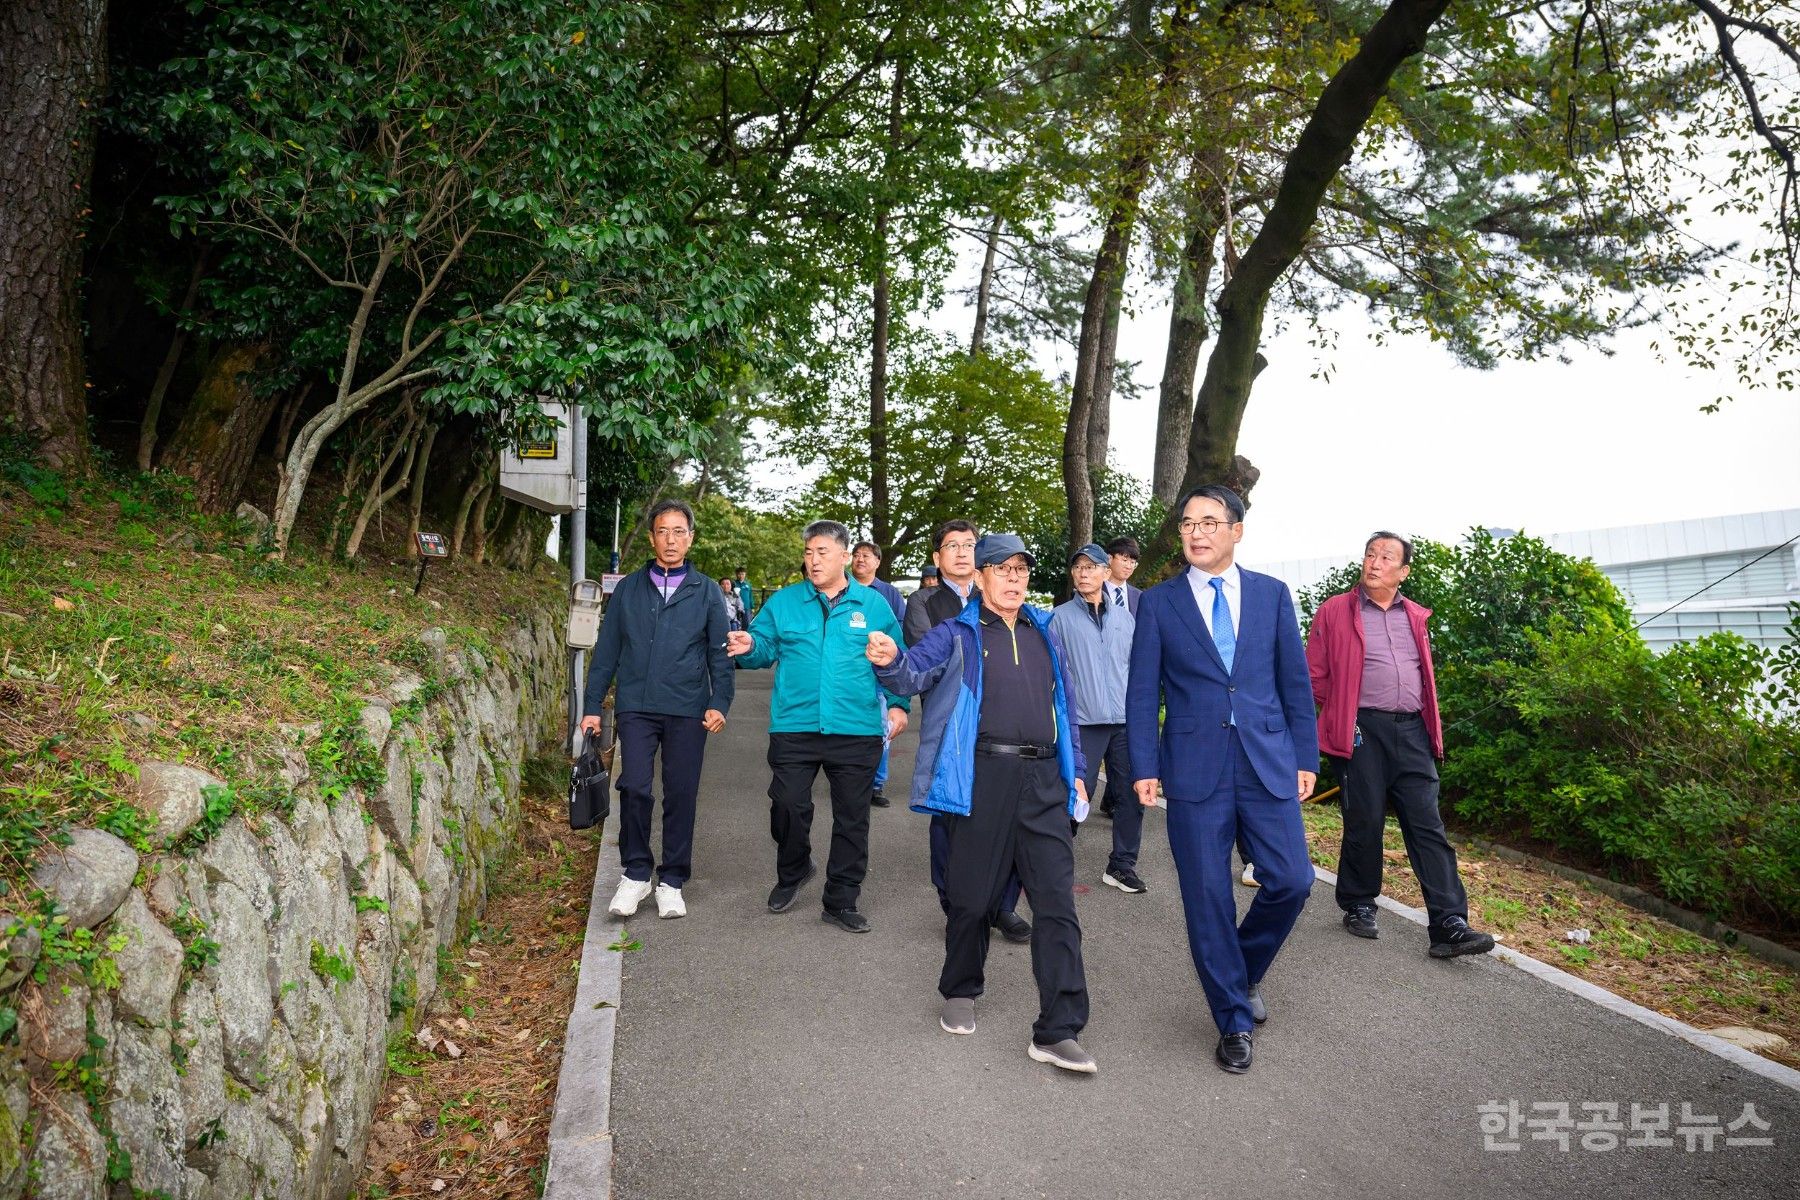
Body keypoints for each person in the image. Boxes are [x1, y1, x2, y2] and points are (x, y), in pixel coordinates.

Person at [868, 533, 1095, 1074]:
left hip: (1043, 781)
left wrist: (1077, 773)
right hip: (981, 776)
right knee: (970, 897)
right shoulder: (958, 632)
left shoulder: (1045, 630)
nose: (1014, 578)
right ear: (983, 578)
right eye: (1003, 569)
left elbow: (1066, 705)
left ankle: (1058, 1028)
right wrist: (889, 660)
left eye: (1021, 569)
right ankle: (961, 987)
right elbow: (911, 673)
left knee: (1057, 904)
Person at [1126, 485, 1318, 1075]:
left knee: (1292, 879)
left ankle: (1238, 968)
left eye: (1210, 521)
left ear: (1237, 530)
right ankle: (1232, 1017)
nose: (1196, 532)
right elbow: (1142, 692)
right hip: (1192, 766)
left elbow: (1294, 683)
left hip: (1267, 759)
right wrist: (1145, 766)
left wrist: (1305, 755)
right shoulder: (1159, 604)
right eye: (1188, 522)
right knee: (1207, 895)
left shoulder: (1272, 595)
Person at [1305, 532, 1496, 959]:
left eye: (1386, 557)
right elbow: (1314, 675)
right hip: (1361, 729)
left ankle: (1449, 922)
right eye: (1370, 554)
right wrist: (1335, 718)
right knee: (1365, 820)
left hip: (1412, 731)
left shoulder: (1415, 616)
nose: (1374, 562)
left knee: (1427, 824)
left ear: (1403, 571)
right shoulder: (1336, 611)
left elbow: (1420, 673)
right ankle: (1358, 903)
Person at [726, 521, 910, 934]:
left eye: (823, 552)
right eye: (809, 552)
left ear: (846, 556)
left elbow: (895, 659)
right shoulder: (785, 602)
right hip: (795, 724)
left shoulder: (875, 605)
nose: (813, 560)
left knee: (852, 818)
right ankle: (793, 871)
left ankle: (841, 898)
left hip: (857, 728)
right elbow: (763, 648)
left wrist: (898, 706)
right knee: (788, 804)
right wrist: (750, 647)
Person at [581, 499, 734, 920]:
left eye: (679, 531)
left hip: (688, 707)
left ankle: (672, 880)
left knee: (681, 792)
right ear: (652, 537)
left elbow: (719, 653)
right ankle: (635, 873)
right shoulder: (629, 588)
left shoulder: (704, 591)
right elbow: (608, 650)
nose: (671, 539)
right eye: (663, 531)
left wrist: (719, 701)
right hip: (637, 706)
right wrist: (592, 705)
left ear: (691, 538)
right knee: (634, 786)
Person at [902, 519, 1030, 944]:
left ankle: (1003, 906)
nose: (961, 551)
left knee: (1009, 823)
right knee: (949, 821)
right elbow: (926, 660)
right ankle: (953, 901)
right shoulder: (923, 602)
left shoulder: (1002, 597)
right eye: (951, 545)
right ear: (937, 558)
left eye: (970, 545)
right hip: (949, 726)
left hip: (1002, 730)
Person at [1048, 544, 1145, 895]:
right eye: (1078, 567)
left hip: (1124, 722)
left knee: (1131, 794)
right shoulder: (1058, 618)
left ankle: (1122, 866)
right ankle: (1053, 862)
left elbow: (1136, 667)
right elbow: (1053, 673)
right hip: (1082, 722)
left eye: (1092, 567)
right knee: (1074, 794)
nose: (1084, 573)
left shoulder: (1126, 617)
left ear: (1107, 572)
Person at [851, 540, 907, 808]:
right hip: (847, 673)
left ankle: (876, 784)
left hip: (879, 673)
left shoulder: (890, 593)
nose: (860, 559)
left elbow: (901, 630)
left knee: (881, 728)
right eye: (856, 555)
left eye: (866, 555)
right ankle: (850, 779)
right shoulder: (841, 587)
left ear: (877, 562)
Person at [1102, 536, 1142, 616]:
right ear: (1109, 558)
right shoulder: (1092, 591)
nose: (1129, 566)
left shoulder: (1140, 597)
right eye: (1125, 560)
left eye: (1132, 562)